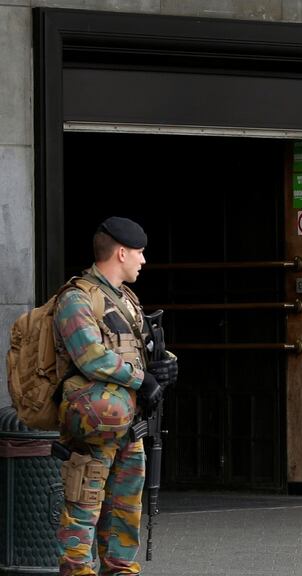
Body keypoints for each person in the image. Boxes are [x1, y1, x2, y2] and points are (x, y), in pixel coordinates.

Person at [54, 216, 177, 575]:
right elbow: (90, 356)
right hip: (95, 426)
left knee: (124, 515)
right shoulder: (75, 299)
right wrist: (142, 380)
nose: (143, 260)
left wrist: (165, 366)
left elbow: (139, 351)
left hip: (130, 427)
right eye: (139, 252)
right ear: (121, 252)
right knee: (83, 509)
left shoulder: (127, 300)